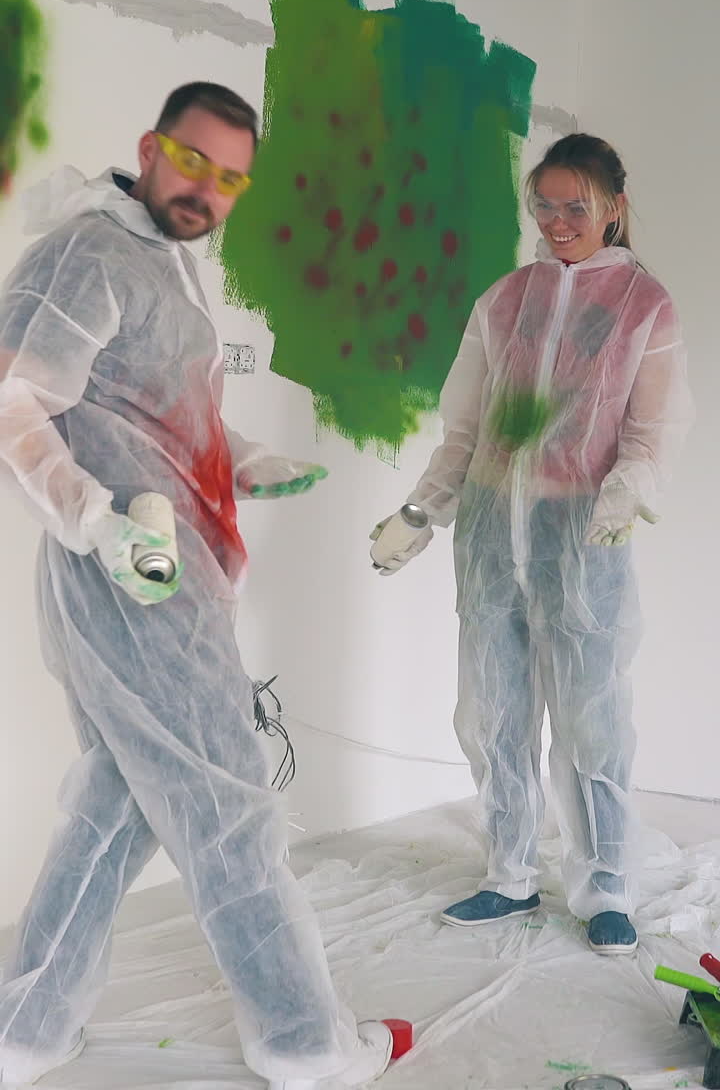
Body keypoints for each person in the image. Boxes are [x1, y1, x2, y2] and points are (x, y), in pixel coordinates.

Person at [0, 83, 393, 1090]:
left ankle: (26, 1027)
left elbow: (149, 412)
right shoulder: (92, 251)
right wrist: (94, 520)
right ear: (151, 146)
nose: (206, 188)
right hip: (134, 577)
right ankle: (306, 1040)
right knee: (228, 801)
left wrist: (244, 458)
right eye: (193, 160)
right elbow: (15, 399)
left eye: (230, 177)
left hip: (161, 570)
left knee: (118, 800)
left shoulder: (159, 261)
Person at [371, 133, 693, 954]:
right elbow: (466, 429)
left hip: (582, 542)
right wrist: (421, 510)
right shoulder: (503, 300)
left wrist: (623, 498)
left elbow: (651, 435)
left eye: (574, 206)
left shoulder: (642, 307)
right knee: (493, 713)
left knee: (593, 722)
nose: (555, 220)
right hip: (488, 535)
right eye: (542, 204)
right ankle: (509, 874)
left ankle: (603, 887)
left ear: (613, 207)